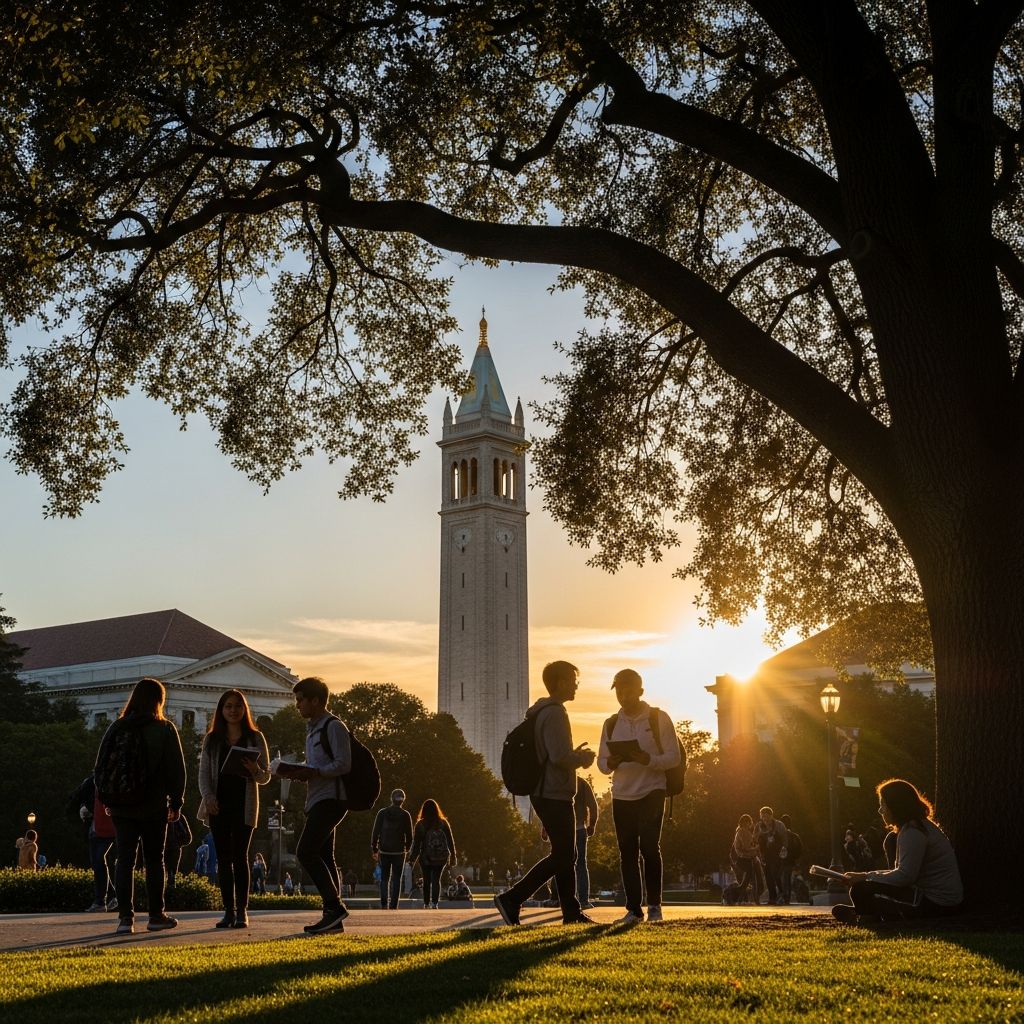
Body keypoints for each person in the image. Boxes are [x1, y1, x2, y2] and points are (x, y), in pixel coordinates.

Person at [494, 660, 596, 927]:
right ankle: (512, 898)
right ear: (561, 683)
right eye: (574, 680)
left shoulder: (541, 712)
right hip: (553, 792)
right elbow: (560, 756)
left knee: (565, 854)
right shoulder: (555, 713)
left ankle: (571, 913)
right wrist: (583, 758)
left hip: (546, 792)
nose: (576, 685)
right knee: (565, 855)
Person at [99, 676, 186, 936]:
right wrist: (177, 802)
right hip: (153, 805)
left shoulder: (117, 727)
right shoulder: (165, 729)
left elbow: (101, 765)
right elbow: (177, 770)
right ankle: (156, 915)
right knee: (154, 860)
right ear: (159, 701)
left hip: (123, 805)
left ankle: (125, 918)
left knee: (124, 860)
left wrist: (108, 798)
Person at [598, 668, 681, 923]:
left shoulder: (658, 719)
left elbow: (673, 757)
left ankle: (654, 906)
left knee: (649, 847)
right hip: (622, 795)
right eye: (619, 690)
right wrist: (610, 762)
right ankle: (634, 910)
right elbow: (601, 764)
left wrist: (649, 760)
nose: (623, 695)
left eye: (628, 690)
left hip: (651, 791)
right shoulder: (611, 723)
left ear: (640, 691)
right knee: (627, 852)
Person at [275, 676, 352, 934]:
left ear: (316, 701)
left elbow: (343, 764)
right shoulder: (312, 729)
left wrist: (314, 772)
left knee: (306, 852)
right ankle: (333, 920)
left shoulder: (334, 727)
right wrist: (300, 773)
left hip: (332, 798)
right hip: (318, 797)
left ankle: (334, 906)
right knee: (325, 856)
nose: (297, 705)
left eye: (300, 700)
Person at [833, 778, 964, 924]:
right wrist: (863, 876)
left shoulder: (913, 832)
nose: (880, 810)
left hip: (936, 903)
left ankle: (866, 916)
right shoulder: (910, 830)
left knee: (860, 889)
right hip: (924, 896)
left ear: (895, 806)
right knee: (862, 888)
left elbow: (905, 876)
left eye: (883, 804)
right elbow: (901, 873)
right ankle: (866, 912)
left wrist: (865, 878)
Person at [199, 688, 271, 930]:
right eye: (228, 706)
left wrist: (254, 770)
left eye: (237, 706)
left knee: (241, 858)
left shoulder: (255, 737)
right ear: (221, 711)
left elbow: (265, 777)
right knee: (223, 859)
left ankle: (242, 911)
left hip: (244, 805)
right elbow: (203, 774)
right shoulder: (212, 739)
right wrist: (208, 797)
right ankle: (227, 911)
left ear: (244, 710)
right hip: (218, 805)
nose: (233, 710)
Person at [371, 788, 414, 909]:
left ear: (391, 798)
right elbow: (410, 835)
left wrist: (374, 848)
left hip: (384, 850)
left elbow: (375, 832)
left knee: (384, 878)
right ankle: (394, 905)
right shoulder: (406, 815)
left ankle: (384, 904)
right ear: (403, 801)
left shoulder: (382, 813)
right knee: (397, 879)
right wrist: (407, 848)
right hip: (399, 852)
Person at [410, 798, 457, 909]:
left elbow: (416, 845)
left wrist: (412, 859)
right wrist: (453, 856)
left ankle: (426, 903)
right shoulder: (443, 823)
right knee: (436, 880)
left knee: (426, 880)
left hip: (425, 857)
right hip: (441, 857)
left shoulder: (420, 824)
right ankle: (435, 903)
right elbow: (450, 841)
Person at [85, 787, 117, 911]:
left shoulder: (109, 779)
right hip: (96, 827)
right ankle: (109, 896)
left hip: (107, 828)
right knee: (97, 863)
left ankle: (101, 900)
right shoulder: (93, 782)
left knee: (99, 861)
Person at [574, 776, 600, 909]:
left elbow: (551, 806)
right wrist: (592, 824)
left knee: (560, 862)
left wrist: (546, 827)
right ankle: (583, 900)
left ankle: (556, 898)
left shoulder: (558, 778)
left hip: (562, 829)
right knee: (581, 864)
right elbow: (593, 806)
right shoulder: (582, 783)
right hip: (579, 828)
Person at [755, 806, 788, 905]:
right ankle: (772, 897)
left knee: (776, 874)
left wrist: (784, 848)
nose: (765, 819)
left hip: (777, 854)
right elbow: (755, 839)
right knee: (768, 876)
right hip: (765, 855)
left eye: (766, 816)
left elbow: (785, 838)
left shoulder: (779, 825)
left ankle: (782, 893)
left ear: (771, 815)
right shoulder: (759, 826)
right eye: (762, 817)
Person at [731, 814, 759, 904]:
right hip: (744, 858)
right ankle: (740, 891)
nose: (749, 824)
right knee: (751, 877)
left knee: (748, 877)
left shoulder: (740, 831)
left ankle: (740, 895)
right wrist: (756, 848)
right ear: (746, 822)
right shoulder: (743, 832)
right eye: (748, 822)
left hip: (742, 858)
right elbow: (747, 847)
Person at [779, 813, 802, 905]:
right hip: (790, 862)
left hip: (781, 861)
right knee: (787, 879)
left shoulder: (779, 836)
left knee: (781, 879)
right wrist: (794, 859)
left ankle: (783, 897)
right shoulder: (794, 836)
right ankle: (786, 898)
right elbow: (800, 849)